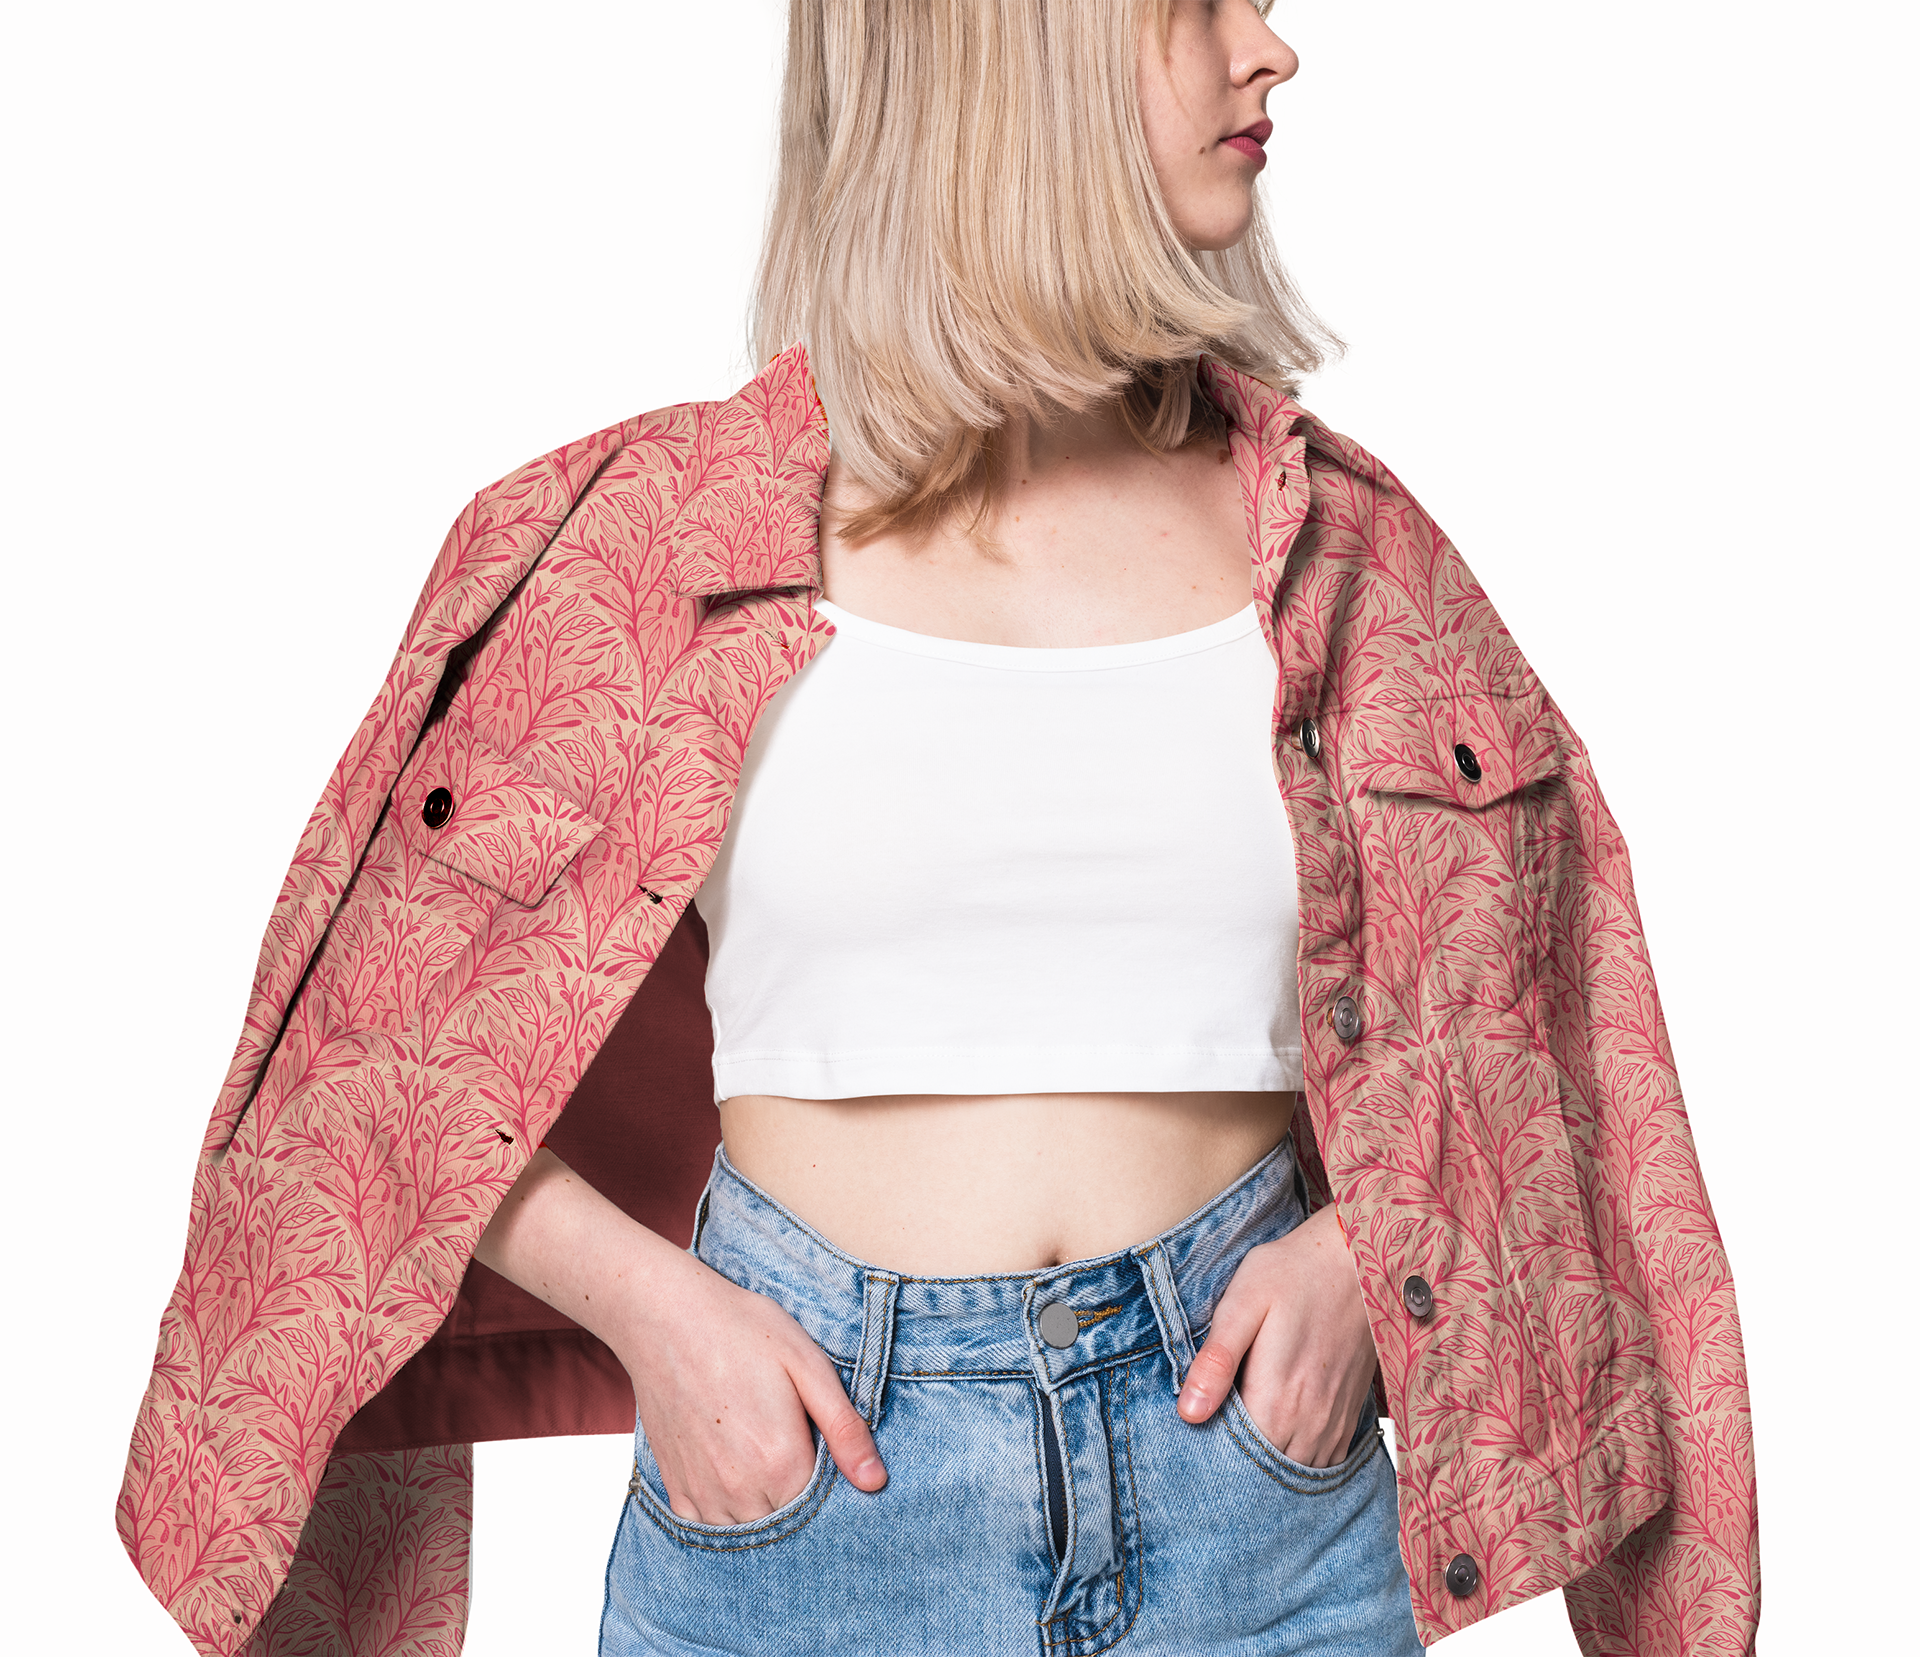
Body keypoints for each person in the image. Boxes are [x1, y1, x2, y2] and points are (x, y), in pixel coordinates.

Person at [118, 3, 1757, 1654]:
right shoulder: (641, 547)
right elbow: (368, 1065)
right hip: (798, 1524)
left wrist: (1361, 1253)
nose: (1270, 49)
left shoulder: (1351, 559)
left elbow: (1555, 1042)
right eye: (1195, 3)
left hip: (1267, 1528)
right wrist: (658, 1316)